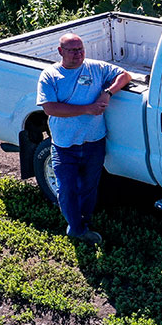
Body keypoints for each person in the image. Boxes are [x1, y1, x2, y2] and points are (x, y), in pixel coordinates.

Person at [36, 33, 132, 244]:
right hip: (64, 145)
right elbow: (50, 108)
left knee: (89, 187)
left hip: (94, 141)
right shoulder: (50, 76)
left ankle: (84, 222)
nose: (78, 54)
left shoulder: (95, 67)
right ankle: (76, 228)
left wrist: (107, 92)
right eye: (72, 50)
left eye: (81, 49)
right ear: (60, 52)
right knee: (67, 189)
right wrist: (87, 109)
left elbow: (125, 75)